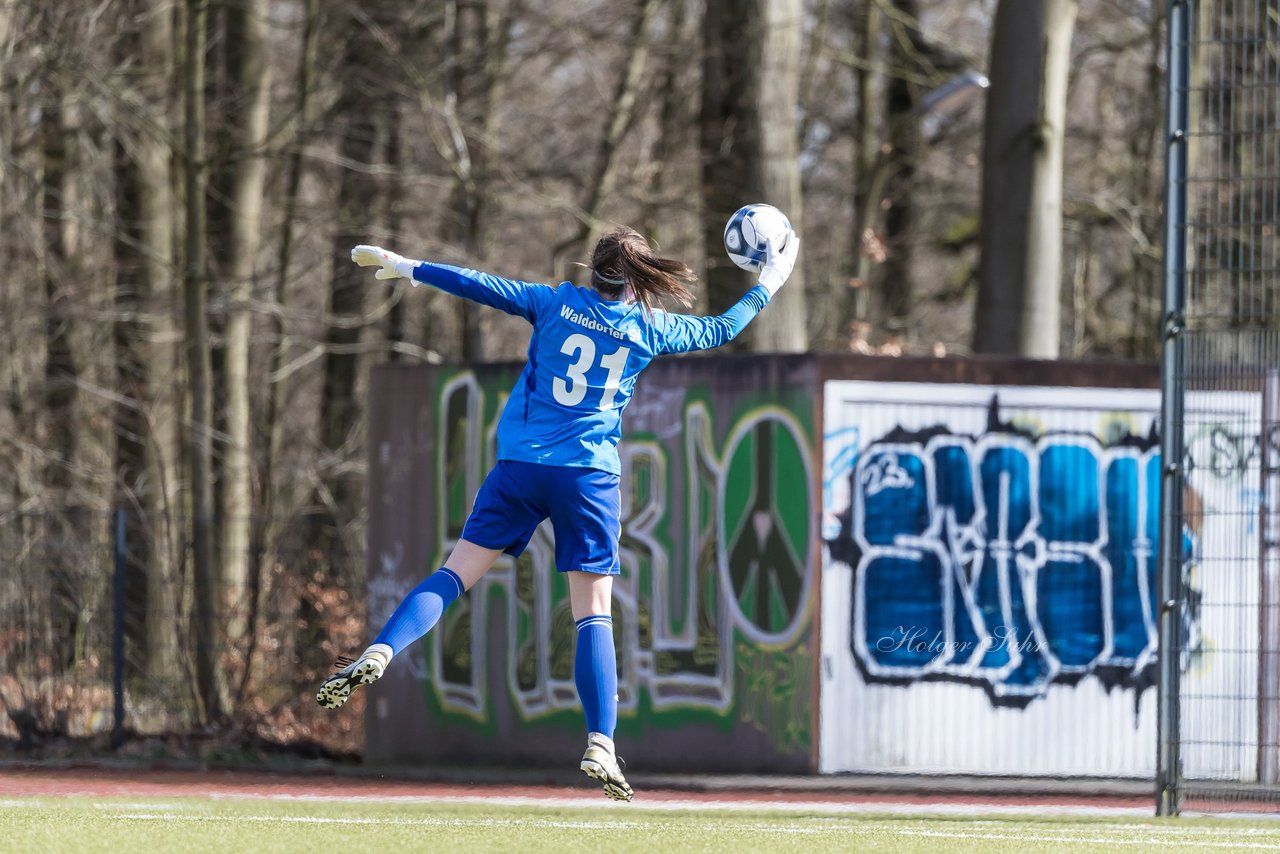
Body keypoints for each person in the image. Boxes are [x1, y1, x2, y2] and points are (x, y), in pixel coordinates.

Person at [316, 225, 800, 801]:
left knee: (453, 574)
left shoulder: (554, 303)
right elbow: (723, 328)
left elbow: (480, 285)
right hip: (589, 477)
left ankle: (382, 649)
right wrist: (769, 281)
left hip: (520, 467)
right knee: (592, 613)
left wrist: (409, 266)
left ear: (590, 270)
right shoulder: (652, 327)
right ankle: (600, 742)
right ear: (638, 282)